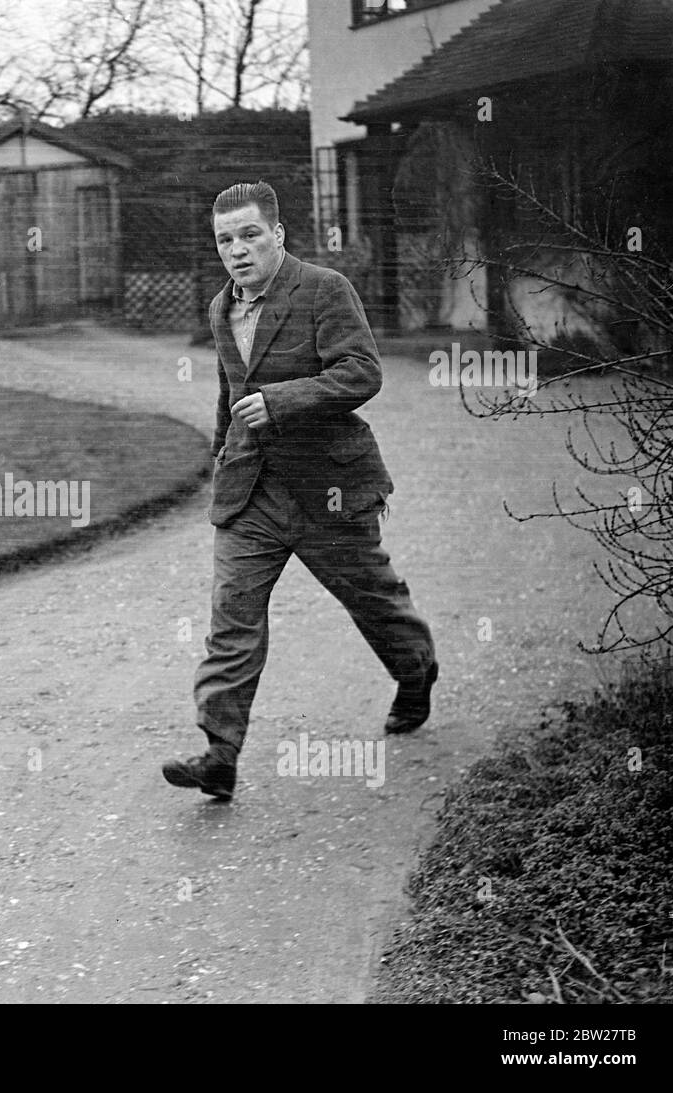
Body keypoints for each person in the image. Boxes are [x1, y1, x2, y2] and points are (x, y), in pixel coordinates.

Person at [163, 181, 437, 802]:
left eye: (250, 234)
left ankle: (415, 669)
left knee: (371, 597)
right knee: (232, 623)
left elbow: (362, 371)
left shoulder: (323, 289)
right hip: (251, 491)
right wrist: (220, 456)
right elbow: (229, 391)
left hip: (328, 488)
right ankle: (219, 754)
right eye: (225, 240)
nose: (238, 250)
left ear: (279, 234)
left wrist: (283, 401)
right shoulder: (220, 308)